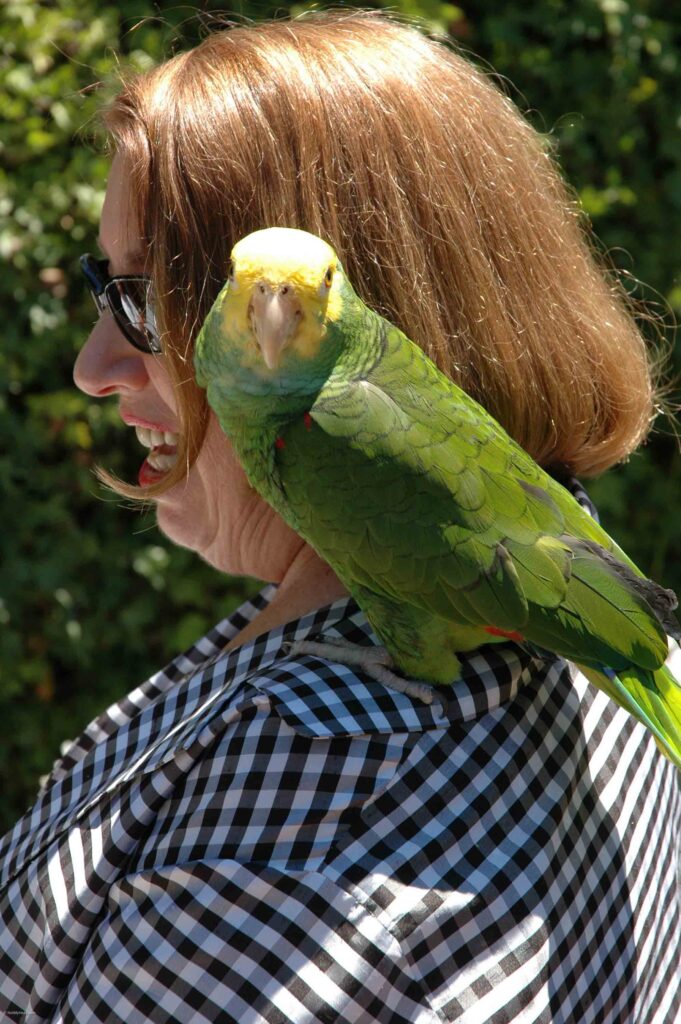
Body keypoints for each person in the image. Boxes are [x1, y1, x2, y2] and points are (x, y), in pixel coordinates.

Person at [1, 11, 678, 1023]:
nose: (90, 369)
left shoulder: (281, 850)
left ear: (384, 309)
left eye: (141, 299)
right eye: (106, 288)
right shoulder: (510, 531)